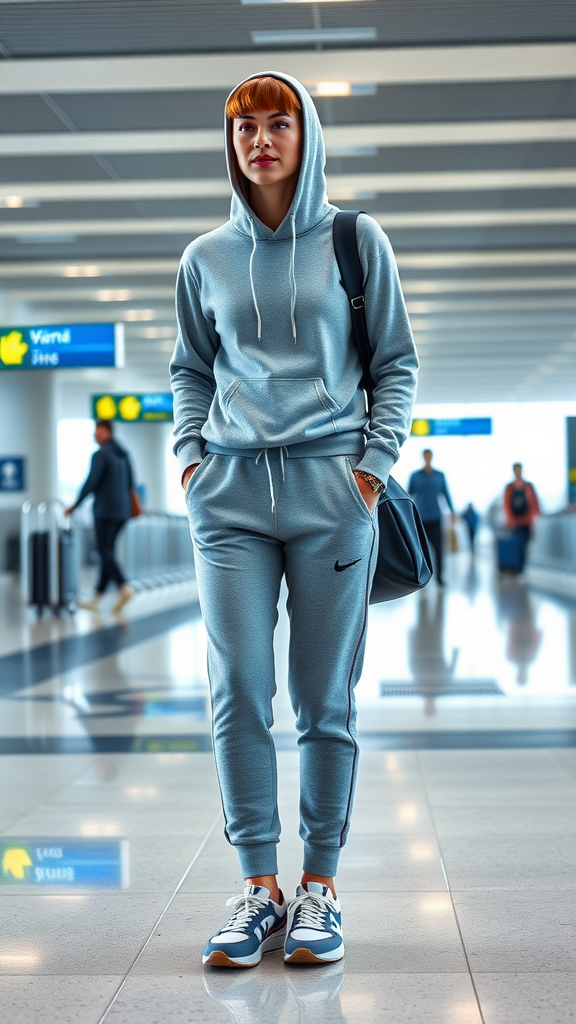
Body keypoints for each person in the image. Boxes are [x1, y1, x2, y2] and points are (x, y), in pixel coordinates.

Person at [170, 71, 417, 968]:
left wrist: (369, 473)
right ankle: (257, 887)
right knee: (237, 685)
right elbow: (189, 368)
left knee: (322, 699)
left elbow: (396, 363)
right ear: (229, 144)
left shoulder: (355, 240)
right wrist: (191, 455)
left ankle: (320, 888)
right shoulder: (204, 256)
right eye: (244, 127)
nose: (261, 140)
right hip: (228, 495)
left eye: (279, 123)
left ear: (306, 135)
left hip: (330, 495)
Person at [65, 419, 135, 613]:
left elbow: (91, 482)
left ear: (106, 431)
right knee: (108, 551)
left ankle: (124, 585)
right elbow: (131, 483)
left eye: (97, 431)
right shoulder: (124, 455)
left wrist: (75, 505)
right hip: (122, 511)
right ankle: (98, 596)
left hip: (105, 510)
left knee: (103, 550)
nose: (95, 435)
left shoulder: (101, 454)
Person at [408, 450, 455, 586]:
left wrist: (452, 512)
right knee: (421, 550)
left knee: (439, 550)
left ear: (431, 457)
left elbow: (446, 494)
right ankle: (421, 578)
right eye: (425, 456)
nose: (427, 458)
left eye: (429, 456)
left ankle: (440, 579)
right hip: (421, 518)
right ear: (423, 457)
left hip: (435, 517)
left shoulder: (439, 476)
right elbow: (409, 495)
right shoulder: (415, 476)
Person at [503, 463, 540, 573]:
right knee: (517, 544)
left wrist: (535, 517)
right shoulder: (509, 487)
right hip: (515, 522)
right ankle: (519, 568)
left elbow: (534, 503)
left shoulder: (528, 486)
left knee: (525, 544)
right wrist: (509, 520)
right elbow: (506, 504)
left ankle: (522, 567)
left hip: (527, 521)